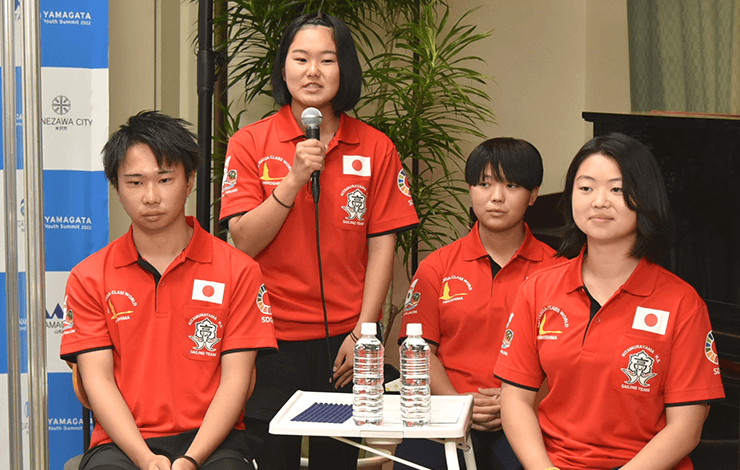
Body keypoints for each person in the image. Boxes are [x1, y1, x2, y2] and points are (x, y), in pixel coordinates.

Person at [219, 13, 419, 470]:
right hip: (269, 338)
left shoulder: (375, 148)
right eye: (301, 58)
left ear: (344, 68)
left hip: (345, 342)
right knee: (274, 461)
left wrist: (365, 333)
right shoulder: (250, 142)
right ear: (283, 68)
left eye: (327, 60)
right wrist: (292, 178)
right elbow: (243, 241)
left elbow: (382, 248)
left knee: (338, 462)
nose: (313, 71)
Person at [60, 111, 277, 470]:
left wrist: (193, 458)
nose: (150, 196)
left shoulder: (238, 271)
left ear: (189, 180)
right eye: (134, 182)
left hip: (214, 441)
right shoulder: (89, 276)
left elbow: (238, 380)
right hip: (122, 442)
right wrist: (145, 459)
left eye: (164, 180)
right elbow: (96, 380)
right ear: (115, 187)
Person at [494, 132, 725, 470]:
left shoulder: (681, 303)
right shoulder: (538, 289)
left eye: (617, 189)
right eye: (585, 188)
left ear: (644, 196)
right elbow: (515, 400)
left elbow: (686, 428)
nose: (599, 201)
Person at [393, 138, 560, 470]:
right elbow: (419, 349)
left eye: (511, 185)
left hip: (528, 413)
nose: (496, 197)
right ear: (471, 190)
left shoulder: (557, 271)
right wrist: (457, 405)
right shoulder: (436, 266)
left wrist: (519, 402)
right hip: (445, 409)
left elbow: (566, 360)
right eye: (485, 184)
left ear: (533, 194)